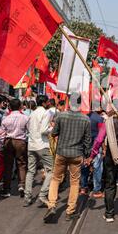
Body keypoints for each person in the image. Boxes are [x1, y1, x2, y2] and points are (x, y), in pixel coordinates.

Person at [44, 93, 91, 223]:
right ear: (80, 103)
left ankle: (52, 205)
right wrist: (87, 156)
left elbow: (54, 133)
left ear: (69, 103)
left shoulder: (61, 116)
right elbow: (87, 141)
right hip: (76, 154)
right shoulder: (86, 119)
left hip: (61, 153)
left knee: (55, 179)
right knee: (75, 182)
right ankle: (70, 211)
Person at [89, 99, 118, 229]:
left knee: (109, 185)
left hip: (110, 159)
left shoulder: (108, 122)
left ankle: (109, 214)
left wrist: (92, 156)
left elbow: (98, 140)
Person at [25, 95, 54, 207]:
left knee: (31, 171)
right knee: (52, 169)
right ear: (45, 103)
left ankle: (27, 197)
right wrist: (53, 127)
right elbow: (44, 130)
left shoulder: (32, 113)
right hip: (42, 145)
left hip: (31, 145)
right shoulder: (46, 113)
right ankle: (42, 195)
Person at [1, 99, 29, 198]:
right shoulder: (25, 118)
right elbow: (28, 130)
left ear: (10, 107)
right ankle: (21, 185)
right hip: (21, 142)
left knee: (8, 166)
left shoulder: (5, 119)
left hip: (8, 141)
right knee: (21, 164)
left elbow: (2, 132)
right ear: (20, 106)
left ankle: (6, 189)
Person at [81, 106, 105, 198]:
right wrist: (104, 149)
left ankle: (83, 187)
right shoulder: (99, 118)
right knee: (97, 167)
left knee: (84, 166)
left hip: (83, 146)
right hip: (96, 146)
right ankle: (96, 190)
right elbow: (101, 136)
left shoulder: (81, 116)